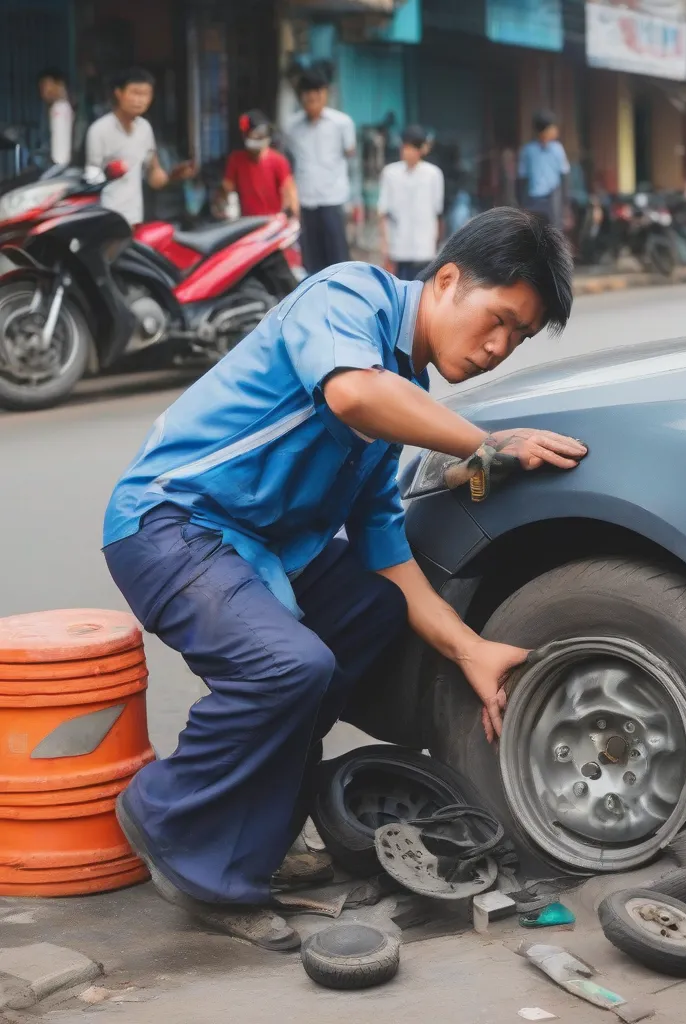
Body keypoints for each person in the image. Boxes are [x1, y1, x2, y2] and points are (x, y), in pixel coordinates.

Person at [102, 206, 584, 951]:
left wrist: (469, 650)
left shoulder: (401, 388)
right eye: (497, 320)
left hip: (257, 550)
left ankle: (255, 839)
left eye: (517, 339)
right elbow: (351, 395)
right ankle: (171, 817)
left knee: (372, 612)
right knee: (290, 667)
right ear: (448, 281)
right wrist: (491, 445)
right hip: (168, 524)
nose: (497, 349)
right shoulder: (348, 296)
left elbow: (388, 556)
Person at [85, 67, 194, 227]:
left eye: (146, 94)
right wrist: (109, 173)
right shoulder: (99, 130)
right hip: (106, 218)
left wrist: (174, 175)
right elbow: (90, 178)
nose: (140, 100)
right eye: (135, 93)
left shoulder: (145, 128)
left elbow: (153, 176)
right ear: (119, 93)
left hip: (135, 218)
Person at [284, 70, 357, 274]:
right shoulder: (291, 126)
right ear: (301, 98)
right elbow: (289, 161)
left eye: (316, 96)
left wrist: (354, 201)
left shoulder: (342, 123)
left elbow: (350, 156)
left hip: (332, 198)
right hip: (305, 200)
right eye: (307, 98)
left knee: (338, 261)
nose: (312, 102)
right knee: (311, 261)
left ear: (325, 95)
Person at [378, 124, 445, 281]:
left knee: (423, 289)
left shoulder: (433, 174)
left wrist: (437, 242)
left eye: (412, 147)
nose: (408, 152)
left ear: (422, 149)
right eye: (405, 147)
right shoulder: (390, 173)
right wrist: (384, 244)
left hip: (424, 246)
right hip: (399, 245)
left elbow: (438, 212)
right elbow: (383, 211)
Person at [220, 110, 298, 218]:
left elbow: (289, 191)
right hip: (245, 222)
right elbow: (227, 188)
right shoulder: (236, 160)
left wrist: (293, 215)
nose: (258, 140)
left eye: (261, 136)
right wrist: (223, 206)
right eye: (254, 136)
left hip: (272, 222)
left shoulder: (278, 161)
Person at [518, 110, 570, 229]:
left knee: (554, 231)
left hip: (552, 197)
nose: (556, 130)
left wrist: (565, 203)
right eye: (552, 127)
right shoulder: (528, 151)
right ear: (543, 131)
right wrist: (522, 202)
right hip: (533, 199)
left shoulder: (557, 149)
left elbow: (565, 175)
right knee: (533, 231)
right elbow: (522, 178)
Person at [37, 67, 74, 167]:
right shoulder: (58, 108)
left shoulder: (60, 108)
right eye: (41, 87)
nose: (44, 91)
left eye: (46, 85)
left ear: (60, 84)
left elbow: (60, 154)